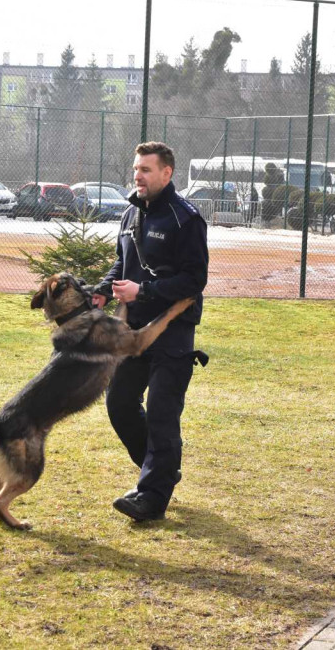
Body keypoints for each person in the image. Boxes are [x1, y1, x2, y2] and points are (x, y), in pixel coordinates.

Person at [92, 141, 209, 522]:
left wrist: (143, 291)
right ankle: (159, 471)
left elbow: (194, 281)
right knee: (119, 403)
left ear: (166, 173)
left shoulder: (186, 219)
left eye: (145, 170)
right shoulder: (130, 213)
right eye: (136, 169)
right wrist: (103, 289)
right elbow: (121, 263)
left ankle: (152, 497)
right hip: (133, 332)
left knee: (161, 413)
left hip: (172, 332)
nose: (137, 176)